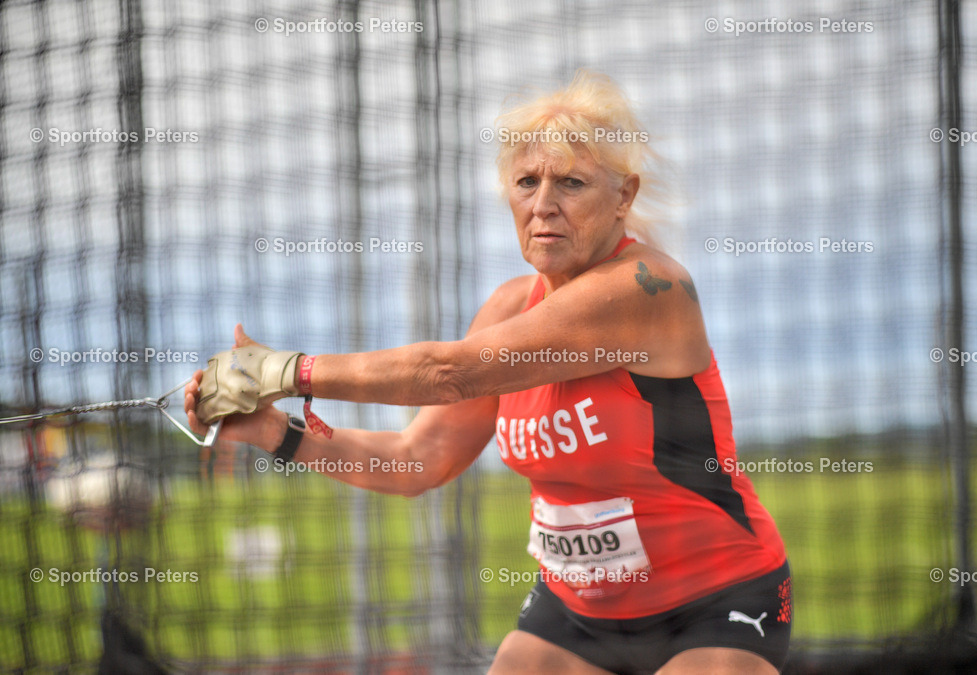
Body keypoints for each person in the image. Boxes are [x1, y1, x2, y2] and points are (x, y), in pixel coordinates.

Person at [184, 70, 791, 675]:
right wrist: (274, 433)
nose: (544, 205)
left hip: (717, 601)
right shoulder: (508, 307)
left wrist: (287, 370)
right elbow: (415, 460)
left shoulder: (645, 289)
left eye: (571, 184)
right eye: (527, 182)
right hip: (579, 612)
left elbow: (449, 373)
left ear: (623, 197)